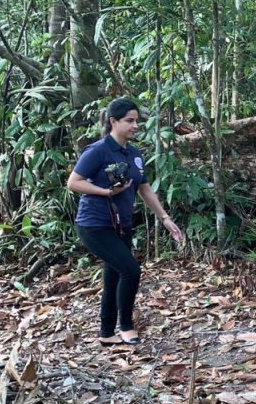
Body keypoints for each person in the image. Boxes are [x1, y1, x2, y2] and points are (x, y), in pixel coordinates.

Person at [68, 98, 184, 346]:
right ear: (113, 122)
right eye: (129, 121)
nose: (135, 126)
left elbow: (144, 188)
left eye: (136, 121)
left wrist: (164, 217)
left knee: (114, 275)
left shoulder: (134, 154)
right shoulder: (98, 150)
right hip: (95, 224)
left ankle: (107, 333)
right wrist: (106, 192)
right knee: (130, 270)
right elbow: (74, 182)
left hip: (122, 224)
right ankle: (126, 327)